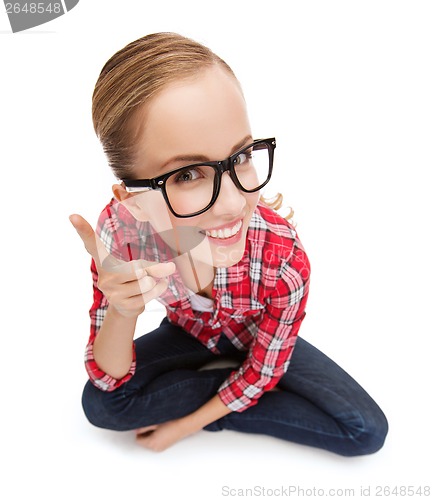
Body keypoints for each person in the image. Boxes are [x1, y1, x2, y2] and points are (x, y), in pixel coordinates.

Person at [70, 32, 388, 455]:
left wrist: (185, 426)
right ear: (134, 200)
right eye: (187, 175)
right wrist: (124, 311)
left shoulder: (283, 256)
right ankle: (227, 392)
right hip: (188, 334)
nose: (235, 202)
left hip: (258, 341)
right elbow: (106, 378)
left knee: (364, 431)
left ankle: (222, 405)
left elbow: (263, 367)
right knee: (101, 407)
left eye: (240, 157)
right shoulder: (121, 235)